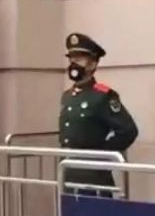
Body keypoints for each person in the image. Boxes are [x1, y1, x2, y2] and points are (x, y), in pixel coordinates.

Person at [59, 33, 138, 197]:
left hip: (94, 177)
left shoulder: (102, 96)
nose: (73, 64)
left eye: (79, 59)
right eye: (72, 59)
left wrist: (102, 154)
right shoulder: (67, 96)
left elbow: (128, 130)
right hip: (69, 173)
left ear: (92, 64)